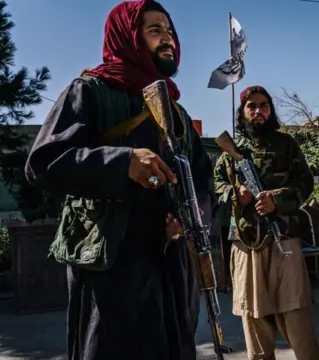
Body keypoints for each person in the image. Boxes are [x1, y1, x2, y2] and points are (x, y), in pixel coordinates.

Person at [23, 1, 213, 359]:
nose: (167, 39)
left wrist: (192, 219)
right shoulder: (91, 90)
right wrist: (122, 162)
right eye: (155, 30)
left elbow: (202, 180)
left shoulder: (176, 110)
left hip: (171, 267)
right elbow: (44, 162)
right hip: (111, 266)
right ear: (127, 36)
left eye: (170, 31)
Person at [213, 85, 319, 360]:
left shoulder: (287, 145)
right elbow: (216, 186)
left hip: (283, 239)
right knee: (253, 317)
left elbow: (305, 183)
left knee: (296, 314)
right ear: (243, 112)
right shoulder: (231, 152)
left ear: (270, 110)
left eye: (264, 106)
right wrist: (234, 193)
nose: (258, 111)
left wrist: (277, 200)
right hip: (246, 244)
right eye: (252, 106)